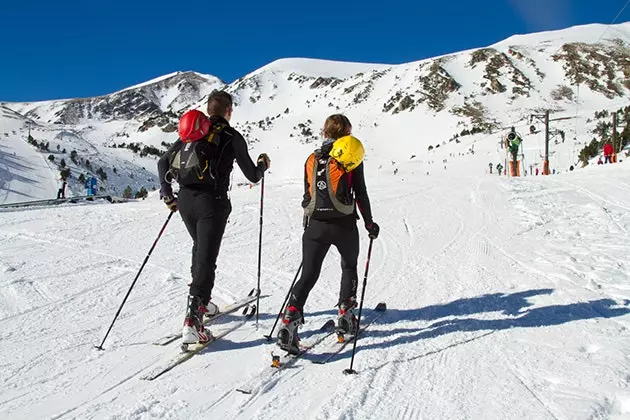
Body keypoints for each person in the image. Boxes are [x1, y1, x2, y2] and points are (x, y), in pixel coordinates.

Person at [157, 90, 271, 345]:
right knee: (207, 258)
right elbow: (253, 175)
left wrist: (167, 195)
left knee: (200, 250)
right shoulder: (230, 135)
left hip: (185, 202)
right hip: (212, 203)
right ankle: (193, 322)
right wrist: (263, 164)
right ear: (229, 110)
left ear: (209, 109)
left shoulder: (192, 133)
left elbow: (162, 162)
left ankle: (203, 303)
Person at [276, 114, 380, 354]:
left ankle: (290, 319)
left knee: (309, 274)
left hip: (316, 226)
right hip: (344, 224)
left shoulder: (312, 158)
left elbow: (307, 196)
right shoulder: (350, 159)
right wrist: (369, 223)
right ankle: (346, 316)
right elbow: (360, 193)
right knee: (348, 266)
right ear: (347, 133)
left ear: (325, 133)